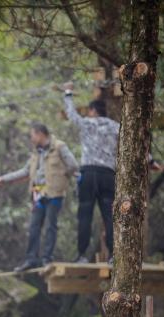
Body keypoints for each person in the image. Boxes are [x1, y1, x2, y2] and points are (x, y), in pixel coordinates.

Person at [0, 123, 79, 272]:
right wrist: (3, 179)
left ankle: (47, 259)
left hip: (55, 194)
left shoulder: (59, 147)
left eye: (32, 135)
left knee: (51, 226)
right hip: (38, 195)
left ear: (40, 134)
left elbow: (73, 165)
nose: (31, 138)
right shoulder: (36, 153)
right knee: (34, 227)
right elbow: (25, 171)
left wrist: (61, 177)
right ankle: (31, 259)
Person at [62, 82, 121, 264]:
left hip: (88, 174)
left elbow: (71, 114)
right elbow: (134, 140)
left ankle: (81, 255)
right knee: (110, 216)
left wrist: (68, 93)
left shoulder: (86, 123)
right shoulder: (115, 126)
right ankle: (113, 255)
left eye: (89, 111)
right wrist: (150, 160)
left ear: (93, 111)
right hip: (107, 175)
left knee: (85, 215)